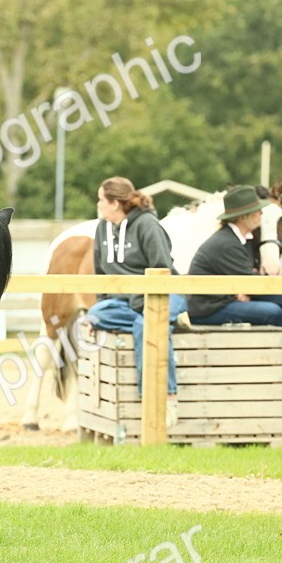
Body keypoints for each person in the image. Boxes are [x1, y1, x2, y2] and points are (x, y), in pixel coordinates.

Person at [85, 177, 188, 422]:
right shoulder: (102, 229)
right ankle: (169, 321)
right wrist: (98, 311)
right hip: (125, 301)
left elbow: (162, 269)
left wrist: (145, 305)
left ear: (115, 203)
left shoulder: (147, 225)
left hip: (164, 293)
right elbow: (101, 274)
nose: (98, 204)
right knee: (95, 315)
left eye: (101, 200)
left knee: (147, 325)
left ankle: (164, 398)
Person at [187, 185, 282, 349]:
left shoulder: (241, 240)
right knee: (273, 312)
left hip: (224, 299)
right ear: (242, 217)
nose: (261, 214)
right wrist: (242, 291)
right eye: (257, 211)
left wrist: (245, 290)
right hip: (209, 309)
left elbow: (247, 278)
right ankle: (280, 353)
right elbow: (251, 282)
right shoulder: (226, 243)